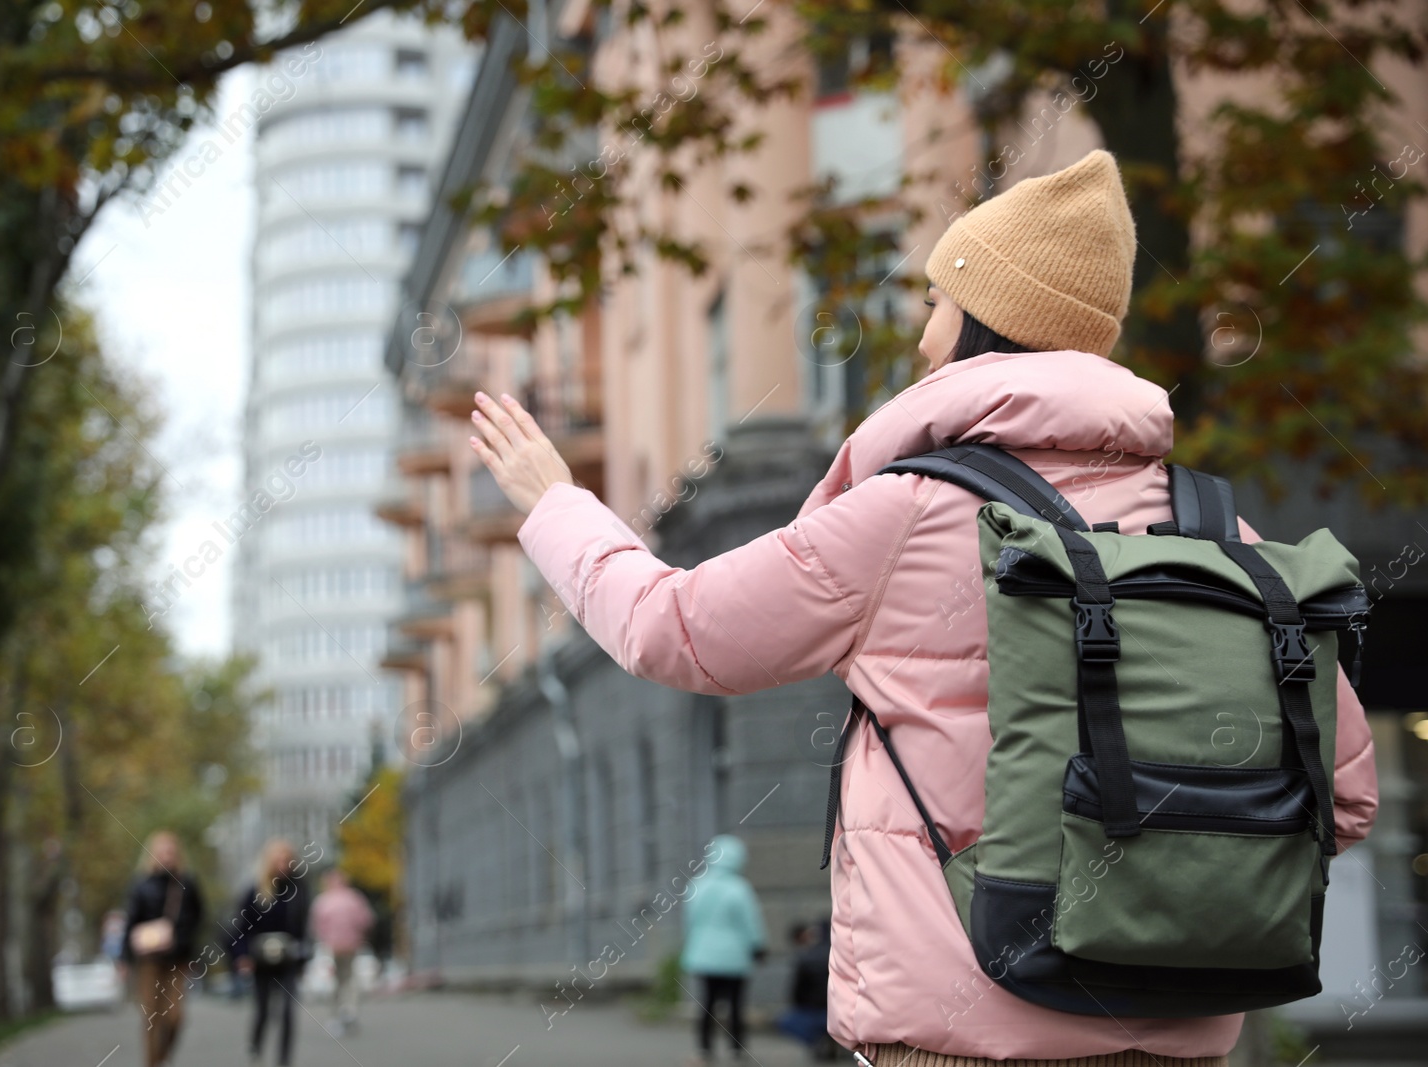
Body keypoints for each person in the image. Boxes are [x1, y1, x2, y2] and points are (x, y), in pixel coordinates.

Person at [468, 149, 1379, 1066]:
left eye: (939, 304)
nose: (922, 340)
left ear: (988, 320)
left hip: (959, 1034)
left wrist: (556, 503)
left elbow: (675, 630)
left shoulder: (910, 512)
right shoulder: (1223, 533)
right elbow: (1343, 793)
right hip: (1183, 1038)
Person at [680, 834, 766, 1064]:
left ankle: (704, 1049)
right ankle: (736, 1048)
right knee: (736, 1003)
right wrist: (758, 945)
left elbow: (689, 920)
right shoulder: (739, 888)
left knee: (706, 1003)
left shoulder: (696, 885)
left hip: (703, 954)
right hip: (735, 956)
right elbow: (750, 922)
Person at [121, 830, 204, 1067]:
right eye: (162, 851)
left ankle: (162, 1057)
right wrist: (124, 959)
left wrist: (186, 945)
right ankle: (151, 1063)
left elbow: (199, 918)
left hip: (177, 959)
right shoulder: (141, 885)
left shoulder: (187, 883)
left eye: (171, 851)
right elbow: (130, 922)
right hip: (148, 960)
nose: (166, 856)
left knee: (175, 1017)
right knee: (151, 1017)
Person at [226, 838, 311, 1067]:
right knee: (263, 1010)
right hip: (261, 960)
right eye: (279, 859)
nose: (284, 864)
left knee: (287, 1013)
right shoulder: (255, 891)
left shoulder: (299, 890)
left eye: (287, 859)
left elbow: (303, 929)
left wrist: (304, 959)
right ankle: (256, 1048)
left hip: (288, 958)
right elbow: (241, 928)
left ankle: (284, 1061)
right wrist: (241, 955)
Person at [310, 869, 375, 1035]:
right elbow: (366, 920)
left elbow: (316, 926)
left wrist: (325, 939)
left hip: (332, 946)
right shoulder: (354, 898)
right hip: (351, 945)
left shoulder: (322, 901)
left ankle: (337, 1013)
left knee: (335, 980)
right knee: (349, 979)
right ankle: (349, 1011)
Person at [776, 919, 835, 1061]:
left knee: (783, 1021)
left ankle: (816, 1041)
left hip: (813, 1011)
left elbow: (797, 991)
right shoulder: (841, 955)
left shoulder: (805, 958)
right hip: (840, 1012)